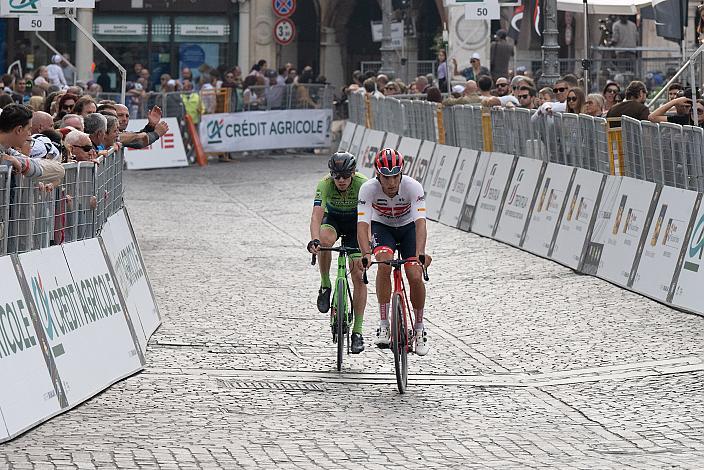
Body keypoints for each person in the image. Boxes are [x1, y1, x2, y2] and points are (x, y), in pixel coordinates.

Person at [357, 148, 431, 356]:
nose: (391, 183)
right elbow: (363, 226)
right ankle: (383, 323)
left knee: (414, 274)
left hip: (409, 229)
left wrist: (420, 253)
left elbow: (421, 223)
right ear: (377, 175)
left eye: (395, 177)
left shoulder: (413, 187)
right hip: (383, 228)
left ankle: (419, 328)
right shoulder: (368, 189)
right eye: (385, 178)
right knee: (384, 262)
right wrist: (365, 253)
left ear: (402, 174)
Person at [307, 152, 368, 354]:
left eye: (345, 176)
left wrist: (368, 246)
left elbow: (371, 218)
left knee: (359, 276)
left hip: (355, 225)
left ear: (352, 173)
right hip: (332, 219)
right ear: (332, 175)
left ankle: (357, 331)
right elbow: (316, 217)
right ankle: (325, 284)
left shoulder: (363, 184)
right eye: (337, 176)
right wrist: (314, 240)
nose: (341, 180)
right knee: (324, 241)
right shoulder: (324, 184)